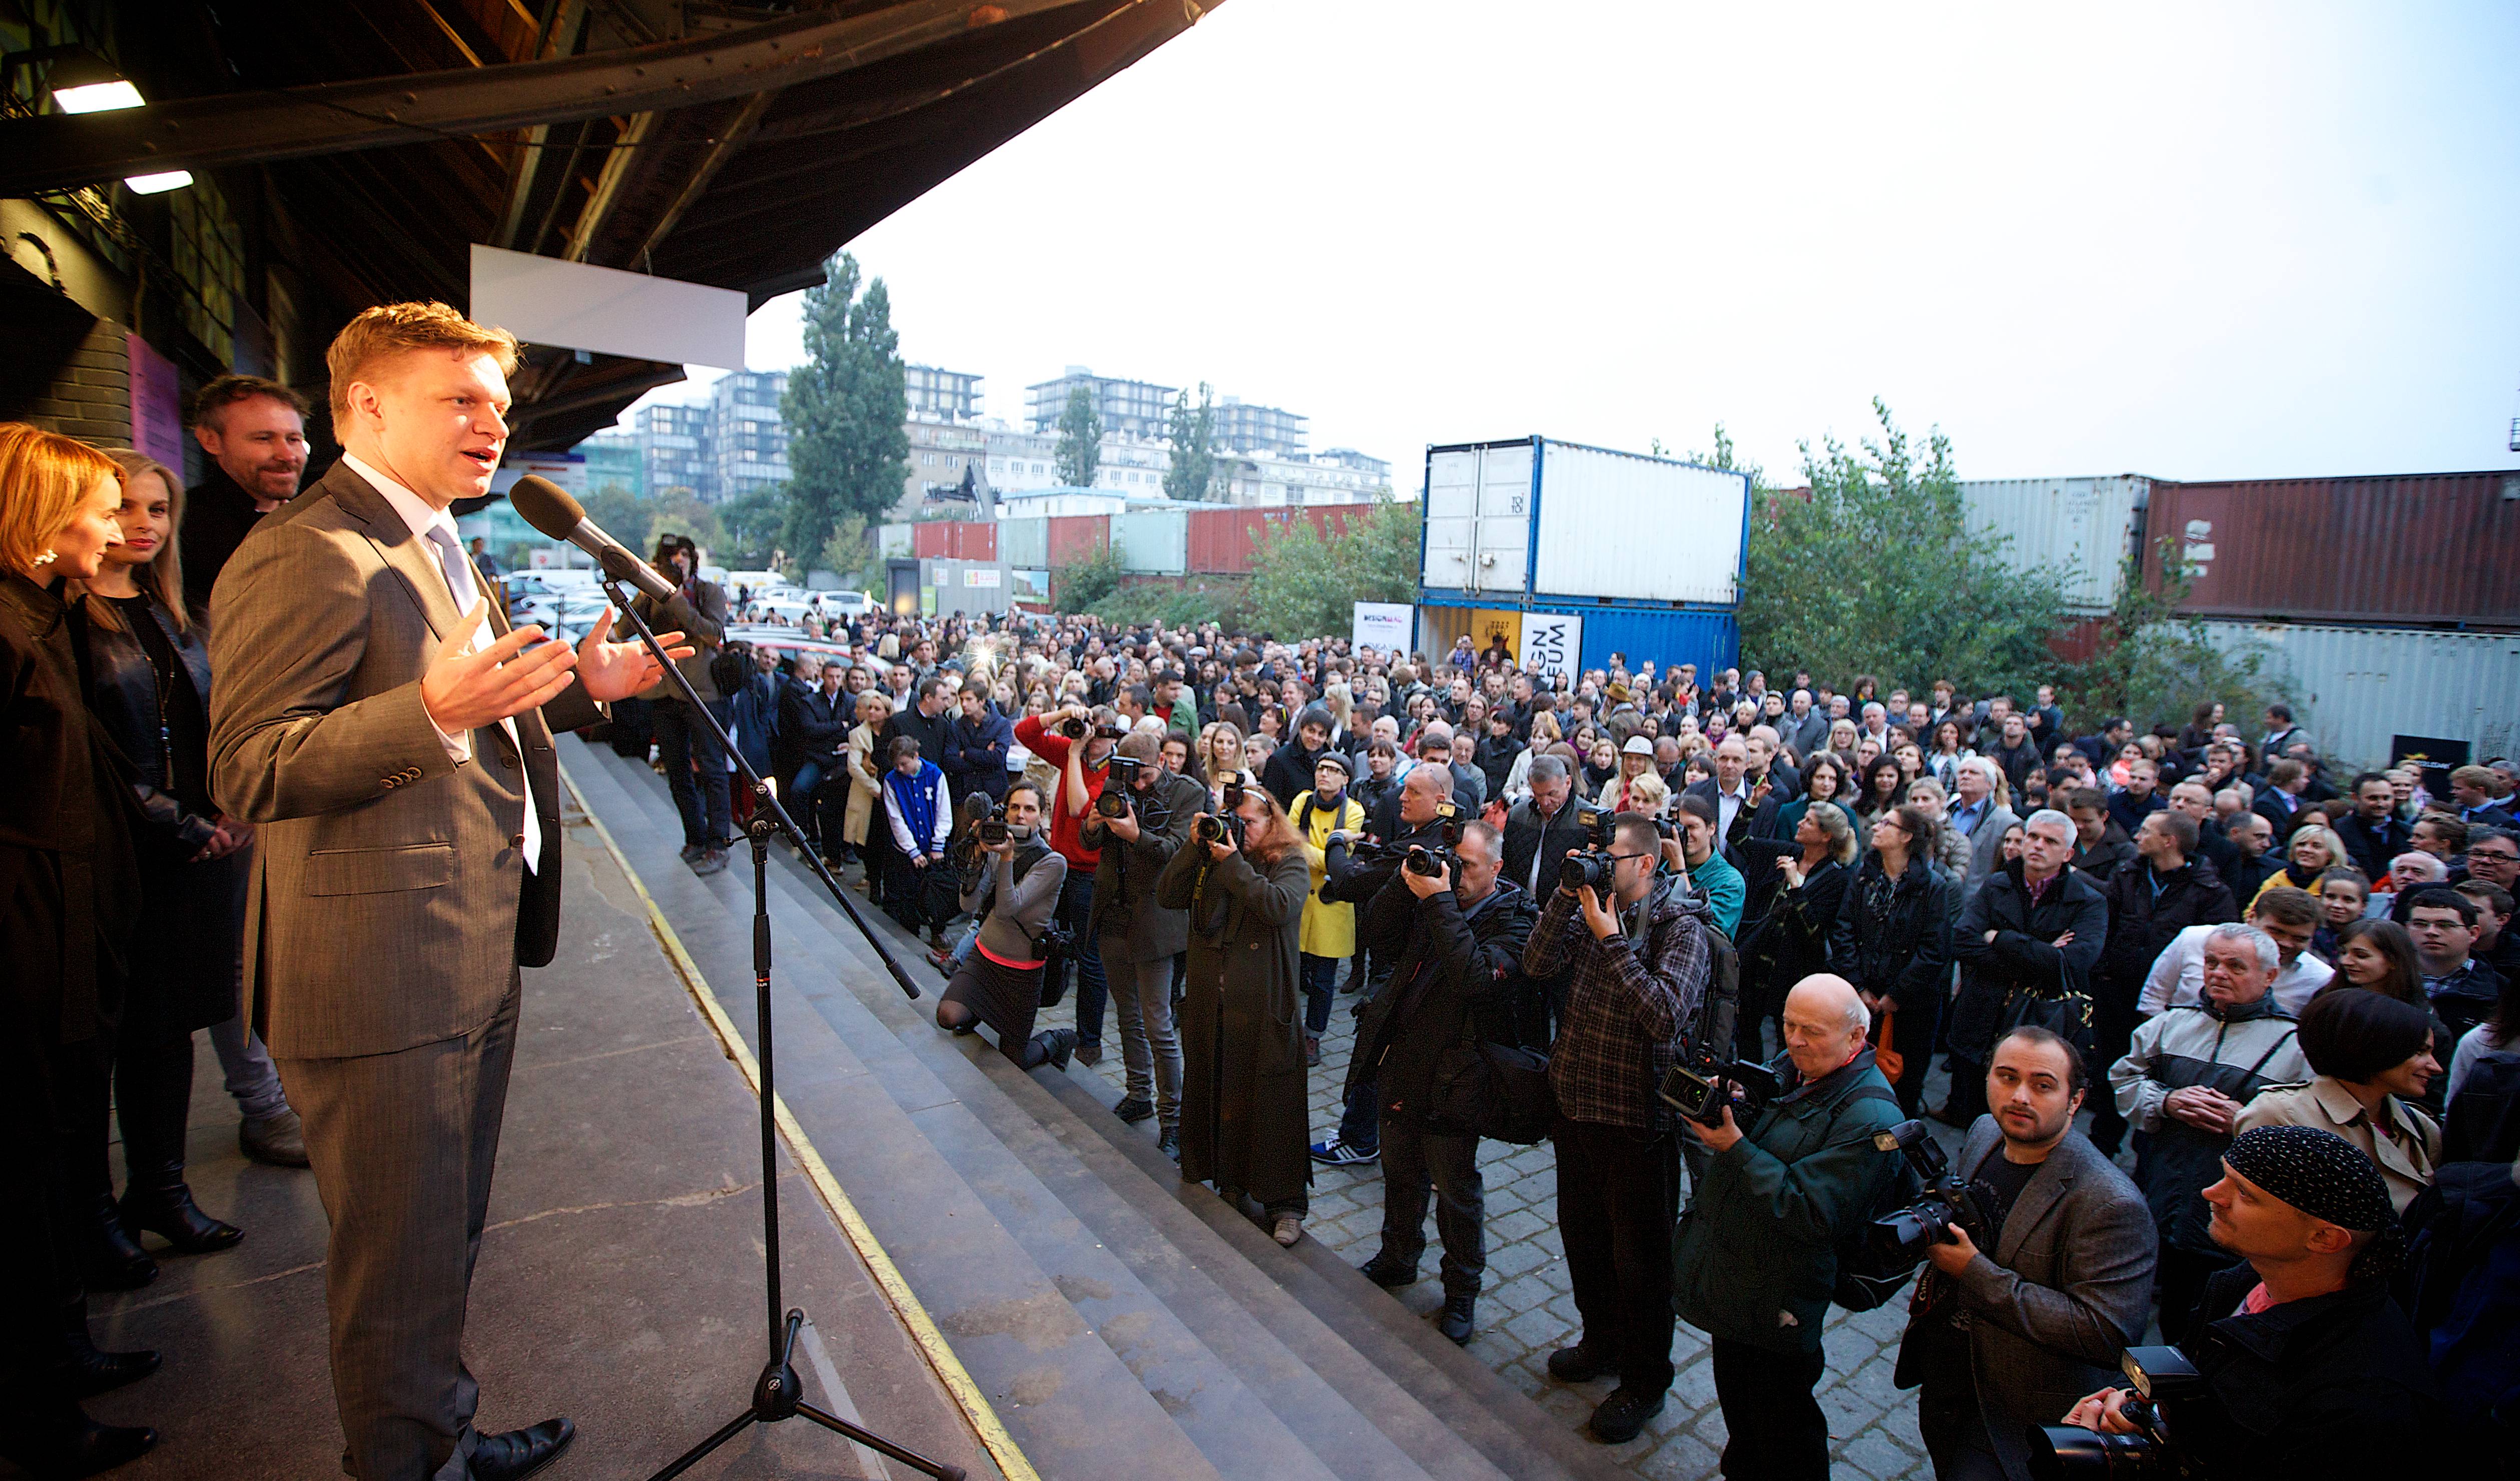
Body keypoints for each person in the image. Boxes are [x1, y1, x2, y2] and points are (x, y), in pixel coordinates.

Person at [207, 304, 685, 1481]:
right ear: (366, 406)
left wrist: (578, 689)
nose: (492, 425)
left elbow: (476, 711)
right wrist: (428, 711)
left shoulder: (429, 536)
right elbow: (250, 764)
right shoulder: (311, 550)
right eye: (460, 399)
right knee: (397, 1261)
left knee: (437, 1239)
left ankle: (439, 1430)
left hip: (460, 949)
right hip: (382, 975)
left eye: (499, 405)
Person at [1, 424, 160, 1474]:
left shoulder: (52, 614)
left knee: (54, 1147)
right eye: (104, 511)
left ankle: (61, 1353)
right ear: (44, 516)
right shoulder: (11, 630)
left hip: (67, 921)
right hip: (24, 933)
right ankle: (37, 1413)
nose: (119, 529)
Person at [74, 449, 252, 1288]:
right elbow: (92, 760)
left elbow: (207, 726)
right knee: (99, 1043)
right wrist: (182, 826)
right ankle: (91, 1217)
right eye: (123, 508)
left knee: (168, 1029)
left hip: (194, 852)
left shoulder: (173, 612)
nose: (143, 524)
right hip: (120, 857)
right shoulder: (63, 619)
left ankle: (161, 1190)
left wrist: (228, 805)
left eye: (157, 509)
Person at [2060, 1125, 2458, 1479]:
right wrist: (2131, 1400)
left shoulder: (2365, 1402)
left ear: (2325, 1238)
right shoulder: (2246, 1280)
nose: (2211, 1194)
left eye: (2245, 1195)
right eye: (2225, 1176)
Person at [1894, 1027, 2156, 1481]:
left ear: (2075, 1100)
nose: (2019, 1096)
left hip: (2016, 1414)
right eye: (2007, 1077)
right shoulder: (1985, 1131)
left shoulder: (2111, 1204)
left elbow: (2105, 1331)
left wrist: (1974, 1272)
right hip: (1948, 1374)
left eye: (2043, 1085)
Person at [1671, 975, 1906, 1477]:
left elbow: (1813, 1213)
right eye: (1788, 1025)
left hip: (1780, 1297)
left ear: (1856, 1036)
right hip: (1740, 1278)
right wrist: (1737, 1097)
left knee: (1783, 1427)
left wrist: (1735, 1147)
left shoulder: (1871, 1119)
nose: (1795, 1041)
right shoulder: (1803, 1066)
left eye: (1812, 1031)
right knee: (1743, 1411)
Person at [1526, 815, 1711, 1444]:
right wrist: (1565, 894)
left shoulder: (1680, 927)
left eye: (1612, 857)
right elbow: (1535, 962)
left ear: (1647, 863)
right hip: (1574, 1103)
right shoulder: (1589, 906)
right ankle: (1600, 1341)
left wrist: (1611, 941)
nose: (1602, 866)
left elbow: (1663, 1015)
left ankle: (1644, 1380)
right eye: (1597, 856)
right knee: (1582, 1239)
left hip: (1636, 1120)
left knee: (1641, 1263)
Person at [1349, 821, 1538, 1344]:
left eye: (1468, 866)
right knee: (1398, 1171)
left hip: (1459, 1075)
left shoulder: (1516, 919)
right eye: (1453, 862)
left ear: (1497, 869)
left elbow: (1475, 980)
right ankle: (1398, 1256)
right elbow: (1376, 936)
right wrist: (1402, 881)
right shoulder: (1437, 893)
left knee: (1454, 1190)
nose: (1456, 874)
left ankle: (1460, 1291)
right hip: (1403, 1056)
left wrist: (1438, 903)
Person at [2110, 923, 2311, 1339]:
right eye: (2212, 963)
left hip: (2238, 1220)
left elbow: (2307, 1129)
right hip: (2161, 1196)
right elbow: (2123, 1080)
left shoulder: (2295, 1045)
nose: (2218, 973)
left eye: (2235, 966)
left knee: (2213, 1324)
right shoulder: (2169, 1025)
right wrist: (2166, 1102)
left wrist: (2246, 1119)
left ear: (2270, 976)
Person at [1159, 783, 1315, 1247]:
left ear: (1272, 823)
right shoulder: (1212, 854)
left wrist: (1232, 865)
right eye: (1234, 820)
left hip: (1264, 1007)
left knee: (1272, 1105)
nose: (1239, 830)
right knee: (1220, 1092)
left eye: (1249, 822)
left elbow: (1278, 906)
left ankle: (1286, 1205)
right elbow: (1168, 895)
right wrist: (1194, 848)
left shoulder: (1289, 860)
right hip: (1214, 1005)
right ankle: (1229, 1181)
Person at [1942, 810, 2107, 1128]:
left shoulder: (2088, 901)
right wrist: (2042, 952)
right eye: (2033, 837)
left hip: (2039, 1021)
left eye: (2050, 841)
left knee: (2023, 1115)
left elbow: (2074, 963)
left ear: (2068, 854)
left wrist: (2000, 938)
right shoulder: (1997, 885)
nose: (2038, 845)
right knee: (1974, 1113)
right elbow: (1962, 940)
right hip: (1981, 1013)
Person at [1082, 731, 1205, 1155]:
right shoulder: (1116, 781)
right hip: (1112, 913)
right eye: (1131, 776)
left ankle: (1173, 1118)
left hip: (1155, 920)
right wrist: (1092, 824)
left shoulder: (1187, 792)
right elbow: (1089, 842)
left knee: (1158, 1023)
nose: (1137, 785)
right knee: (1127, 1014)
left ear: (1163, 763)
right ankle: (1139, 1093)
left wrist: (1136, 835)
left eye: (1146, 776)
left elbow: (1177, 852)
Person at [2088, 811, 2238, 1155]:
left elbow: (2215, 948)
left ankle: (2147, 1152)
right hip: (2118, 990)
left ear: (2170, 841)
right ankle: (2101, 1145)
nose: (2137, 836)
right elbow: (2106, 925)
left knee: (2159, 1075)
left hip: (2170, 1006)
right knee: (2112, 1067)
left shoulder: (2210, 892)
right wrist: (2104, 971)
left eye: (2147, 831)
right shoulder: (2128, 875)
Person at [2234, 990, 2440, 1212]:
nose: (2436, 1067)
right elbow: (2252, 1212)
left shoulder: (2421, 1128)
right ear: (2373, 1047)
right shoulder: (2280, 1115)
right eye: (2420, 1052)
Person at [934, 781, 1076, 1068]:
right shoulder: (995, 844)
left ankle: (1059, 1040)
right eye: (1015, 807)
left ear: (1042, 815)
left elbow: (1007, 908)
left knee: (1015, 1058)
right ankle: (977, 1008)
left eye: (1029, 809)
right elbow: (969, 905)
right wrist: (978, 857)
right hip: (984, 957)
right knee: (947, 1016)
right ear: (1005, 811)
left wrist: (1007, 858)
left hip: (1021, 971)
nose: (1021, 815)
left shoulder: (1053, 863)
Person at [1831, 803, 1959, 1117]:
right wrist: (1859, 986)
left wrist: (1897, 995)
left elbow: (1935, 950)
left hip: (1911, 1006)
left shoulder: (1933, 886)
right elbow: (1844, 929)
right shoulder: (1865, 876)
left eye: (1887, 824)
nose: (1877, 827)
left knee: (1904, 1083)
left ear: (1906, 837)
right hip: (1862, 995)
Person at [614, 535, 731, 876]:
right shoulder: (651, 596)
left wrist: (676, 599)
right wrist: (646, 588)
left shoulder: (709, 592)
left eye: (683, 555)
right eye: (670, 557)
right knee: (677, 771)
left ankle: (719, 844)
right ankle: (695, 838)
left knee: (711, 769)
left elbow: (713, 633)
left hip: (701, 693)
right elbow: (622, 630)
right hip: (663, 691)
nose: (677, 561)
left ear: (693, 559)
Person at [1016, 703, 1119, 1067]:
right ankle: (1019, 1019)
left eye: (1102, 732)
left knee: (1090, 959)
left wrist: (1074, 755)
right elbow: (1024, 733)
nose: (1093, 738)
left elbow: (1079, 808)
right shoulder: (1071, 749)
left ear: (1114, 736)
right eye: (1088, 727)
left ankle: (1089, 1042)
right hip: (1056, 864)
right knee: (1035, 941)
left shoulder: (1115, 773)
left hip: (1090, 874)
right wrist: (1061, 716)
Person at [178, 373, 310, 619]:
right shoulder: (183, 527)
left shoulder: (317, 519)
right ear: (211, 441)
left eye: (294, 439)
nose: (287, 455)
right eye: (264, 439)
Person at [1734, 802, 1857, 1061]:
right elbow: (1738, 840)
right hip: (1760, 961)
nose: (1800, 823)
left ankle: (1784, 1081)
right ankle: (1749, 1078)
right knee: (1746, 1028)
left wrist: (1795, 886)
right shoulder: (1791, 852)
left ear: (1826, 835)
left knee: (1789, 1037)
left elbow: (1815, 932)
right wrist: (1753, 803)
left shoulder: (1838, 878)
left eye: (1809, 822)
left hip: (1794, 971)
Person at [1289, 754, 1367, 1066]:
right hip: (1297, 898)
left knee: (1323, 980)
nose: (1325, 774)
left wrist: (1307, 851)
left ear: (1346, 779)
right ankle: (1286, 1030)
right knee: (1290, 972)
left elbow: (1341, 861)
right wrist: (1326, 852)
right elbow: (1288, 843)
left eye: (1334, 770)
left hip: (1330, 903)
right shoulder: (1303, 801)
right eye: (1322, 768)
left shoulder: (1354, 811)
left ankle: (1313, 1036)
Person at [880, 735, 955, 944]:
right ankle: (910, 933)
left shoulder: (935, 775)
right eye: (896, 765)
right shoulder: (891, 781)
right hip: (906, 851)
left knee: (937, 893)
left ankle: (938, 931)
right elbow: (896, 818)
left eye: (904, 764)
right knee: (908, 894)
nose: (900, 769)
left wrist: (938, 844)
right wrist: (911, 850)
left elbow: (943, 812)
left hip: (934, 849)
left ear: (916, 757)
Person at [2409, 886, 2504, 1040]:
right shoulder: (2384, 978)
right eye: (2420, 924)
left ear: (2473, 933)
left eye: (2445, 925)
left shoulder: (2502, 992)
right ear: (2407, 929)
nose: (2431, 932)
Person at [1946, 759, 2020, 901]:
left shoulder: (2007, 822)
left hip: (1977, 900)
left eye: (1973, 773)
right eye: (1962, 772)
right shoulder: (1945, 813)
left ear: (1990, 784)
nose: (1966, 776)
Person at [2333, 770, 2412, 880]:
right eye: (2373, 798)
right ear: (2355, 798)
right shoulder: (2338, 830)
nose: (2381, 804)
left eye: (2386, 798)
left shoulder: (2407, 832)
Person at [942, 683, 1012, 808]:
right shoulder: (956, 726)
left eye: (969, 699)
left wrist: (967, 753)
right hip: (964, 793)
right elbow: (950, 761)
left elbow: (998, 758)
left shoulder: (1001, 725)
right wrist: (985, 757)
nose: (964, 704)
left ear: (981, 701)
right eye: (962, 699)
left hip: (994, 793)